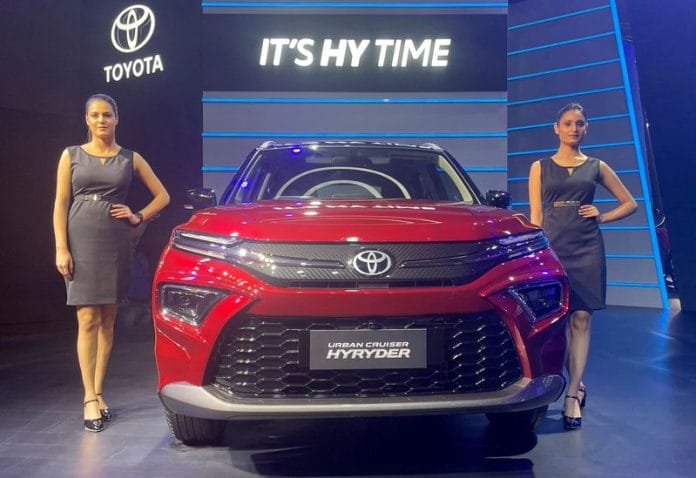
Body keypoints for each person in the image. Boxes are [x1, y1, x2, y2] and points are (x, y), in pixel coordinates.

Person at [52, 94, 170, 432]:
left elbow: (163, 196)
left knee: (107, 320)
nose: (101, 120)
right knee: (87, 317)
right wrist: (61, 248)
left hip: (117, 241)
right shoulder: (71, 155)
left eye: (107, 115)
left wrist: (138, 215)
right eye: (95, 115)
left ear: (116, 119)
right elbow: (61, 204)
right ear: (86, 120)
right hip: (81, 238)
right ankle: (89, 397)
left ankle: (99, 391)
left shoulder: (130, 158)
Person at [528, 103, 637, 430]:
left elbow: (630, 203)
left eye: (579, 123)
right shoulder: (540, 167)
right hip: (553, 250)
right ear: (556, 128)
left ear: (586, 128)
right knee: (554, 323)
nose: (573, 128)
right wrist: (537, 252)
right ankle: (574, 381)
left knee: (581, 319)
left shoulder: (596, 166)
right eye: (567, 123)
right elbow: (536, 216)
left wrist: (602, 216)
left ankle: (572, 394)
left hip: (587, 249)